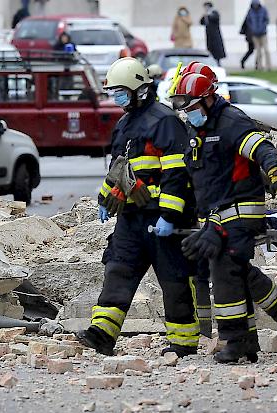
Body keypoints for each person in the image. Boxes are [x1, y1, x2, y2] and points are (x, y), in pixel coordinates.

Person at [171, 68, 277, 363]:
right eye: (185, 108)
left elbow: (261, 147)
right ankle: (267, 322)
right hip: (215, 216)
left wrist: (276, 171)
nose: (189, 113)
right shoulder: (196, 130)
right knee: (234, 269)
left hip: (241, 211)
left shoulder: (230, 121)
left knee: (226, 270)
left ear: (208, 99)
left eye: (192, 107)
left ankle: (235, 339)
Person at [76, 58, 199, 358]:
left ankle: (183, 343)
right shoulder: (124, 124)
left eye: (121, 91)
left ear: (138, 90)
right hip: (131, 218)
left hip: (162, 219)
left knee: (174, 280)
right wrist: (106, 199)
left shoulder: (165, 121)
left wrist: (169, 216)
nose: (116, 97)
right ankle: (101, 334)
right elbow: (119, 169)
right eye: (114, 91)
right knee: (117, 269)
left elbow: (176, 173)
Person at [246, 0, 271, 71]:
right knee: (258, 51)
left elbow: (267, 20)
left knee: (266, 50)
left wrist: (263, 27)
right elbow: (248, 21)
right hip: (255, 34)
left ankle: (268, 66)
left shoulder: (263, 10)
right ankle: (259, 67)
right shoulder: (250, 11)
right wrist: (252, 29)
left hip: (263, 33)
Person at [200, 2, 226, 66]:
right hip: (209, 35)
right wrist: (205, 16)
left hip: (215, 35)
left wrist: (209, 15)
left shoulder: (214, 13)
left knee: (216, 50)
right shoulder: (205, 15)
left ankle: (218, 63)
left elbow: (215, 18)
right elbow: (201, 22)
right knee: (210, 49)